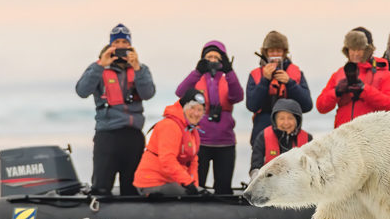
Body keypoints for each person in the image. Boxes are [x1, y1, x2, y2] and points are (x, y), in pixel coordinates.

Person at [75, 23, 157, 196]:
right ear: (111, 45)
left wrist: (137, 68)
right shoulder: (98, 68)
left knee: (131, 187)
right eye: (117, 42)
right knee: (102, 186)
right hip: (107, 135)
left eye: (124, 43)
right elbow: (82, 91)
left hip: (133, 135)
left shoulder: (141, 69)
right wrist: (99, 65)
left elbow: (148, 93)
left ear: (130, 46)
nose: (120, 46)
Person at [174, 41, 244, 195]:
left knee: (224, 187)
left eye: (216, 57)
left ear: (223, 60)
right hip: (200, 143)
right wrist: (197, 72)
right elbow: (180, 93)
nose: (212, 60)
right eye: (209, 57)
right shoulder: (197, 79)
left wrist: (230, 71)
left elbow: (238, 96)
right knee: (197, 185)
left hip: (225, 143)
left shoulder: (227, 79)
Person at [316, 28, 390, 127]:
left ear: (368, 50)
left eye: (359, 49)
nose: (355, 53)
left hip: (371, 136)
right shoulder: (339, 74)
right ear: (347, 50)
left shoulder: (384, 74)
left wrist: (364, 90)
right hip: (343, 136)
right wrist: (336, 92)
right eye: (352, 49)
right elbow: (321, 107)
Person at [133, 88, 207, 196]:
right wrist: (187, 183)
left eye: (200, 110)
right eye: (192, 108)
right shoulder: (170, 126)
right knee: (192, 196)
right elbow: (167, 160)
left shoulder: (191, 130)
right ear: (183, 108)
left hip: (172, 180)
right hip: (152, 181)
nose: (196, 113)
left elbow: (193, 162)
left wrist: (194, 185)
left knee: (201, 194)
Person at [245, 30, 313, 144]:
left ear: (284, 53)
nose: (275, 55)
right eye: (271, 51)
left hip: (291, 135)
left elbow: (307, 106)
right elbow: (252, 105)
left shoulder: (296, 73)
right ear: (265, 53)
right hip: (262, 135)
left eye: (278, 51)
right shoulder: (255, 74)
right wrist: (265, 81)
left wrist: (289, 83)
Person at [249, 98, 313, 178]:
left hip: (298, 185)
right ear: (275, 121)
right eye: (281, 118)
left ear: (297, 120)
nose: (286, 123)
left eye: (290, 118)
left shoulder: (308, 139)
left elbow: (313, 169)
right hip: (269, 184)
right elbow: (255, 167)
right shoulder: (263, 137)